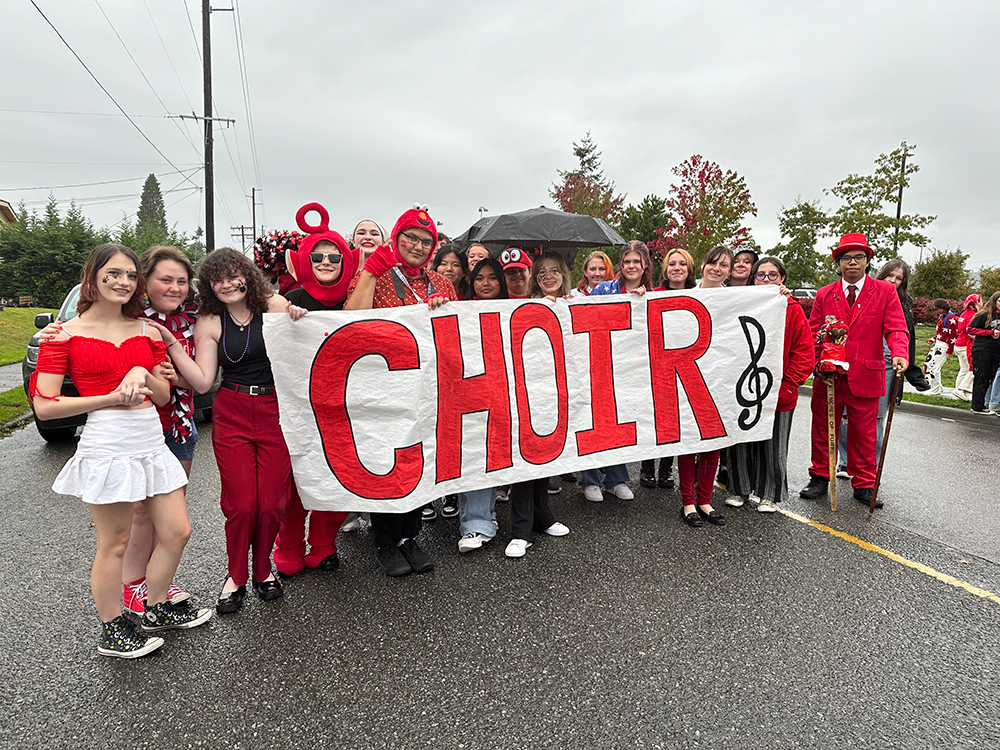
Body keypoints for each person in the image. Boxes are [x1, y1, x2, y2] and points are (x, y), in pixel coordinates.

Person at [32, 243, 212, 658]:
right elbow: (44, 404)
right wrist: (111, 397)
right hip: (107, 444)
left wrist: (141, 374)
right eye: (113, 273)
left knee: (176, 531)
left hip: (150, 441)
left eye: (131, 275)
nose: (123, 282)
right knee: (115, 541)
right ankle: (112, 629)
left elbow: (165, 396)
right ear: (93, 277)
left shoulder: (146, 331)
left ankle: (156, 605)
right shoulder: (65, 334)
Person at [154, 248, 305, 613]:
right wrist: (174, 345)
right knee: (241, 506)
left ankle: (263, 569)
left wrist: (298, 318)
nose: (226, 284)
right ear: (209, 286)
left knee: (271, 504)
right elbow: (204, 382)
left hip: (275, 411)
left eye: (232, 275)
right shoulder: (209, 320)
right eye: (216, 279)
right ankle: (236, 575)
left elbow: (304, 345)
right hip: (233, 411)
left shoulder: (274, 305)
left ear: (247, 276)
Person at [345, 205, 459, 576]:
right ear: (397, 238)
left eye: (427, 241)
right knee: (386, 463)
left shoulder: (441, 284)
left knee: (417, 461)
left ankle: (411, 536)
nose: (418, 246)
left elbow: (456, 332)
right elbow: (352, 318)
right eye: (411, 237)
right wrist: (371, 270)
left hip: (425, 391)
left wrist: (440, 312)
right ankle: (385, 540)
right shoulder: (375, 275)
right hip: (382, 390)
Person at [273, 204, 359, 578]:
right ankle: (288, 545)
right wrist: (283, 315)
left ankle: (324, 543)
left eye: (334, 256)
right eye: (318, 256)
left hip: (346, 405)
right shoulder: (286, 301)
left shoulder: (356, 300)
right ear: (305, 261)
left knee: (338, 475)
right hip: (300, 405)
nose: (326, 262)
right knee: (296, 481)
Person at [799, 233, 907, 508]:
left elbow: (896, 328)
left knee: (865, 432)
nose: (853, 263)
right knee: (823, 427)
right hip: (829, 375)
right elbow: (813, 334)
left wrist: (899, 353)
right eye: (846, 258)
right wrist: (815, 364)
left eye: (859, 257)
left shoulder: (885, 292)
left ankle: (865, 483)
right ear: (838, 262)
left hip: (867, 374)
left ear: (868, 261)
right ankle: (820, 476)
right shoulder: (825, 294)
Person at [724, 257, 813, 513]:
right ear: (753, 278)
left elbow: (804, 352)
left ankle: (770, 494)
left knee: (773, 446)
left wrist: (788, 384)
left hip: (779, 392)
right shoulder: (743, 304)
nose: (766, 279)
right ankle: (738, 489)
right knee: (740, 442)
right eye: (761, 275)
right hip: (742, 388)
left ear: (782, 278)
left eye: (772, 275)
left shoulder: (791, 309)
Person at [504, 250, 572, 559]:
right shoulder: (522, 305)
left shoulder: (577, 302)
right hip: (527, 389)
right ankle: (521, 530)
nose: (548, 276)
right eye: (542, 271)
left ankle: (542, 516)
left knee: (546, 455)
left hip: (560, 392)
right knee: (525, 456)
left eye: (554, 270)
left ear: (564, 274)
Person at [835, 258, 928, 478]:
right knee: (845, 414)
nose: (894, 281)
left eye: (899, 279)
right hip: (856, 359)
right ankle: (846, 461)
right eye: (890, 276)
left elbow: (906, 339)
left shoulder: (906, 305)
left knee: (875, 416)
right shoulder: (865, 294)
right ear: (881, 273)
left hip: (887, 364)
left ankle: (869, 468)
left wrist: (912, 372)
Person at [580, 242, 652, 502]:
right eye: (627, 261)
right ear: (620, 265)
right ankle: (589, 479)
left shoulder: (653, 294)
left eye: (637, 261)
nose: (631, 266)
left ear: (644, 265)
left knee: (620, 423)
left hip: (630, 368)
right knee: (594, 420)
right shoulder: (603, 290)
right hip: (600, 361)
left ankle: (616, 478)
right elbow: (582, 318)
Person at [679, 245, 733, 527]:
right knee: (689, 442)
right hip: (689, 375)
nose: (717, 269)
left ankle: (705, 499)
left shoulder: (735, 298)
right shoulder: (686, 295)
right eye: (713, 263)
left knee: (714, 444)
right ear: (703, 265)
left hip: (720, 378)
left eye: (724, 265)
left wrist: (779, 294)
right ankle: (688, 501)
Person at [639, 247, 697, 490]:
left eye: (682, 264)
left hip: (687, 365)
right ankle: (647, 468)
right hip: (657, 366)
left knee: (676, 420)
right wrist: (638, 296)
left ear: (689, 269)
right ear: (665, 269)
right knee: (653, 419)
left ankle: (666, 469)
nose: (677, 268)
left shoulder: (700, 294)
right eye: (672, 264)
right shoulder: (654, 293)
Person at [968, 290, 1000, 414]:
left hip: (996, 350)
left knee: (990, 376)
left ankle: (983, 403)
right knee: (981, 376)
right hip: (982, 348)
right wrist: (989, 333)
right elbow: (970, 329)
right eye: (999, 301)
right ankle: (977, 405)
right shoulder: (984, 314)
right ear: (994, 301)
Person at [924, 299, 959, 395]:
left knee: (934, 367)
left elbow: (953, 335)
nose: (935, 311)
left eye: (937, 309)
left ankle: (935, 390)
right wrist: (933, 339)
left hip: (944, 346)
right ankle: (937, 387)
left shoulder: (950, 318)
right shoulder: (941, 317)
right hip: (938, 344)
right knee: (928, 364)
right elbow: (941, 332)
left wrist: (950, 350)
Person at [953, 294, 980, 400]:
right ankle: (961, 389)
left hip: (959, 344)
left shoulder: (964, 314)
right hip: (966, 345)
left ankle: (957, 392)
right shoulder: (973, 315)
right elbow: (970, 330)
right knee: (973, 369)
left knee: (963, 370)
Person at [433, 244, 470, 311]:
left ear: (464, 272)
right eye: (443, 264)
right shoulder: (427, 293)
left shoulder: (471, 298)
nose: (449, 269)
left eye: (455, 265)